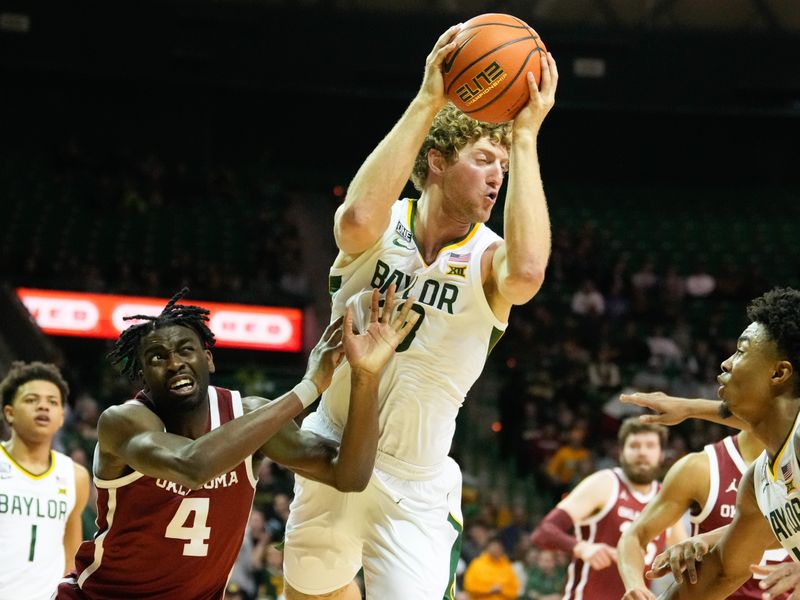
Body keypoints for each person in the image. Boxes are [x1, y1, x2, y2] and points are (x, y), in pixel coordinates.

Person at [282, 23, 558, 600]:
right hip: (329, 447)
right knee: (308, 592)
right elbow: (355, 216)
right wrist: (430, 97)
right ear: (435, 160)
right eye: (484, 159)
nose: (496, 176)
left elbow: (529, 275)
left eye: (502, 168)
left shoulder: (490, 261)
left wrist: (524, 137)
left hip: (415, 482)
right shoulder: (381, 227)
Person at [56, 286, 418, 599]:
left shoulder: (247, 415)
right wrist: (306, 389)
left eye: (186, 350)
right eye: (157, 358)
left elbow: (349, 475)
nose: (174, 363)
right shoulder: (124, 422)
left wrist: (365, 377)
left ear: (208, 359)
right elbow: (192, 466)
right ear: (143, 375)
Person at [620, 287, 800, 599]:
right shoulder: (761, 486)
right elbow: (721, 571)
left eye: (742, 352)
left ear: (779, 373)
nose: (726, 363)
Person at [617, 425, 790, 600]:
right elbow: (635, 535)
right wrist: (635, 586)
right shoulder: (701, 467)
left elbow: (766, 528)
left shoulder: (793, 465)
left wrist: (706, 538)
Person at [529, 417, 685, 600]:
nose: (642, 452)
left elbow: (684, 557)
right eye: (634, 446)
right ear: (621, 452)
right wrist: (581, 547)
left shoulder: (666, 499)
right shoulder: (604, 484)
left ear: (661, 454)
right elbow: (543, 532)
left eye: (650, 446)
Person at [0, 361, 90, 600]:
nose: (43, 406)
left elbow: (72, 555)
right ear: (9, 412)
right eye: (31, 400)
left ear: (61, 416)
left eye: (52, 402)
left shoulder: (75, 475)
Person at [462, 536, 520, 600]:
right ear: (487, 547)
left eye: (498, 547)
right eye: (493, 546)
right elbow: (469, 586)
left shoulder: (507, 566)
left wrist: (502, 590)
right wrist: (489, 589)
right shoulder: (477, 564)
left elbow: (514, 590)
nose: (496, 549)